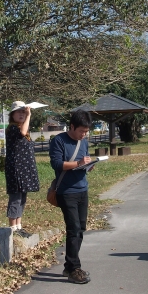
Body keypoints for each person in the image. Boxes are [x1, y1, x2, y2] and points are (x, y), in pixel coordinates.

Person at [49, 110, 93, 284]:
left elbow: (84, 161)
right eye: (81, 131)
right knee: (73, 228)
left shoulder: (84, 142)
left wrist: (89, 166)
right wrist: (78, 163)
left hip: (83, 189)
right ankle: (74, 268)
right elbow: (57, 164)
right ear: (72, 126)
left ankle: (69, 266)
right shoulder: (59, 141)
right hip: (67, 192)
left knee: (80, 228)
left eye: (86, 131)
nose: (84, 134)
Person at [4, 101, 40, 237]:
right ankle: (12, 228)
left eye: (23, 112)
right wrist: (29, 115)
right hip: (15, 169)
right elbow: (22, 132)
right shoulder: (13, 128)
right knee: (15, 197)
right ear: (12, 114)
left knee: (22, 197)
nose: (21, 114)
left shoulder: (23, 129)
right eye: (18, 112)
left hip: (24, 168)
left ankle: (19, 226)